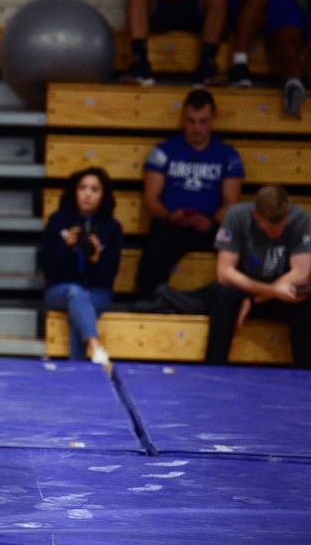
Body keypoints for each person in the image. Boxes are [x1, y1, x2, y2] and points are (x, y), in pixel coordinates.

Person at [137, 89, 244, 298]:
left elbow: (231, 203)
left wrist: (211, 221)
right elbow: (150, 198)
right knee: (155, 242)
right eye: (191, 121)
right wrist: (169, 216)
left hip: (211, 225)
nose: (197, 127)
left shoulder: (228, 155)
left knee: (237, 242)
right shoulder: (162, 151)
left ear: (213, 118)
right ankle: (148, 303)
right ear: (183, 118)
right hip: (172, 223)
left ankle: (229, 303)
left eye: (203, 121)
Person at [206, 186, 310, 368]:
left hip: (274, 295)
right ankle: (214, 368)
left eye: (282, 226)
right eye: (270, 228)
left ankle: (305, 372)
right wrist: (268, 292)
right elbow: (224, 273)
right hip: (246, 291)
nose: (276, 233)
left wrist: (254, 300)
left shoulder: (300, 217)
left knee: (303, 299)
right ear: (256, 215)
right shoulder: (237, 215)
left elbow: (301, 273)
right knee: (226, 296)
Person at [40, 168, 123, 366]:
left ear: (103, 195)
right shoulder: (58, 220)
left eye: (95, 189)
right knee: (76, 294)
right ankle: (95, 345)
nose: (88, 194)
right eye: (83, 187)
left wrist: (94, 259)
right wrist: (65, 245)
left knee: (77, 310)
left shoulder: (112, 228)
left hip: (98, 293)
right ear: (74, 191)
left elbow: (109, 276)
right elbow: (47, 267)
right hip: (59, 290)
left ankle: (76, 370)